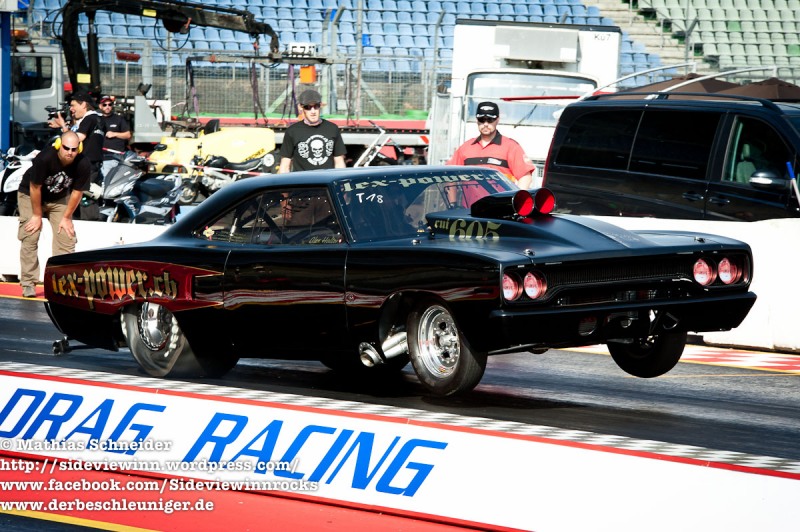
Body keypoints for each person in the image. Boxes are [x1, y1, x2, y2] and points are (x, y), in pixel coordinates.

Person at [16, 131, 91, 297]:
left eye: (74, 149)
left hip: (58, 198)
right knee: (31, 234)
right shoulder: (44, 158)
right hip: (30, 195)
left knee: (66, 236)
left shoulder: (83, 163)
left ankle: (63, 283)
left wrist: (66, 217)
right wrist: (37, 215)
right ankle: (28, 283)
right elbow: (35, 187)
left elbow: (77, 192)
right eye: (66, 148)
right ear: (58, 146)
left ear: (79, 148)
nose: (70, 152)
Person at [447, 101, 536, 190]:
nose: (485, 124)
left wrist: (516, 197)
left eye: (490, 120)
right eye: (482, 120)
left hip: (500, 199)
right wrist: (452, 199)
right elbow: (450, 177)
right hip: (470, 200)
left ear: (497, 120)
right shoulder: (465, 148)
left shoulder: (511, 147)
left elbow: (525, 177)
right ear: (477, 120)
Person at [48, 92, 105, 219]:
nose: (71, 109)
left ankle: (84, 224)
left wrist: (63, 126)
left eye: (73, 105)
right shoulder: (97, 119)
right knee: (82, 196)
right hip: (92, 165)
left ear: (84, 104)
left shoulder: (89, 118)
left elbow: (76, 139)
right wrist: (63, 126)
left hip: (86, 166)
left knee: (83, 198)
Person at [278, 89, 346, 173]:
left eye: (316, 106)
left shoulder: (332, 129)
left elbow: (339, 162)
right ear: (301, 107)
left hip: (326, 180)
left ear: (320, 106)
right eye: (308, 107)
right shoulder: (292, 131)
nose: (313, 111)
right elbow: (285, 165)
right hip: (302, 181)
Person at [97, 95, 131, 178]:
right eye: (104, 105)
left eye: (110, 104)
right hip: (99, 157)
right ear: (100, 106)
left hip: (114, 157)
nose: (107, 107)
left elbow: (128, 135)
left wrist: (114, 134)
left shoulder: (119, 119)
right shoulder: (96, 119)